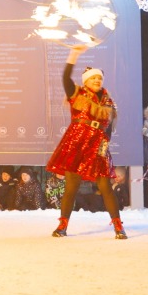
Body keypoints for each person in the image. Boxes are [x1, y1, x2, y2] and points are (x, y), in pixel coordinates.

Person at [45, 46, 126, 239]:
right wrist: (73, 55)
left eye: (99, 78)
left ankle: (118, 226)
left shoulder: (108, 102)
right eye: (94, 78)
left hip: (97, 143)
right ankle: (62, 226)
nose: (97, 81)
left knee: (105, 185)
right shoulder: (76, 94)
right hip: (77, 142)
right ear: (86, 81)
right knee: (71, 186)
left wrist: (105, 144)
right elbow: (65, 78)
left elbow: (108, 128)